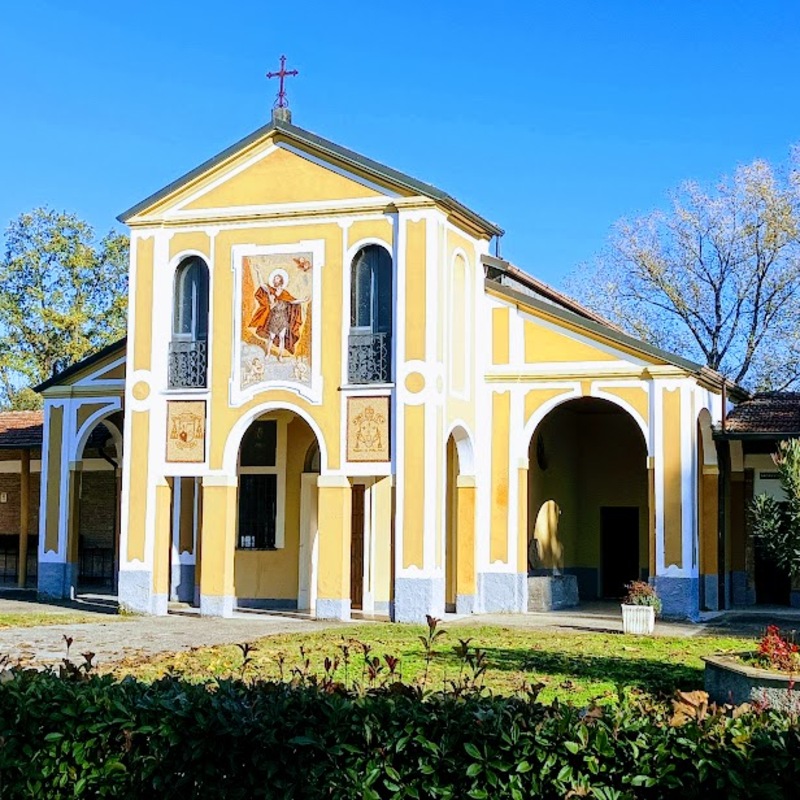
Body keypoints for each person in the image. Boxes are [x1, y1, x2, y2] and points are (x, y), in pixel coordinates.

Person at [249, 270, 307, 362]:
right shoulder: (271, 291)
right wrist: (258, 273)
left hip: (283, 318)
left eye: (277, 278)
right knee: (271, 337)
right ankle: (267, 353)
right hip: (274, 318)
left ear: (281, 280)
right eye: (275, 278)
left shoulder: (285, 293)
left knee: (282, 337)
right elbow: (262, 285)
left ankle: (280, 356)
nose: (275, 279)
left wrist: (302, 300)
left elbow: (292, 301)